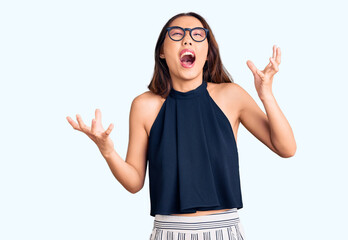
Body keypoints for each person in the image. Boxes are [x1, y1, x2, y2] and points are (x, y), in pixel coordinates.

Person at [66, 12, 296, 240]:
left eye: (197, 35)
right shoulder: (144, 106)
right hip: (168, 232)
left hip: (224, 231)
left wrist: (266, 95)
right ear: (163, 52)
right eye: (176, 34)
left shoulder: (231, 96)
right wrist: (107, 151)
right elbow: (134, 182)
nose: (187, 39)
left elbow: (286, 148)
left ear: (207, 53)